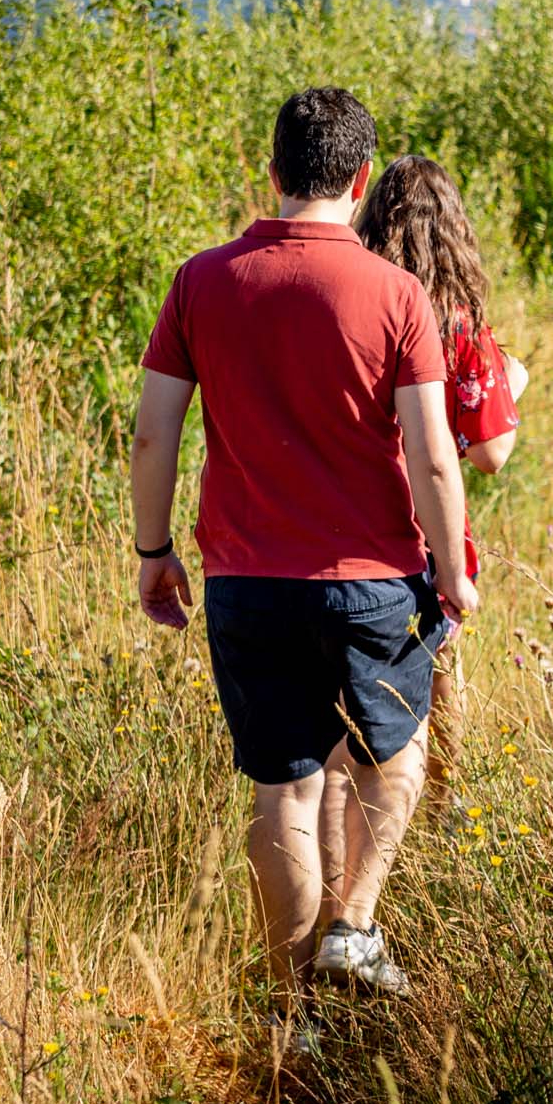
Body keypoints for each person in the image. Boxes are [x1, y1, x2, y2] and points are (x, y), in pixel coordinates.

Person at [129, 88, 477, 1003]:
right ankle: (354, 927)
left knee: (283, 791)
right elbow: (434, 454)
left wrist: (153, 549)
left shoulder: (202, 280)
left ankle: (290, 1006)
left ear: (273, 170)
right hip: (376, 582)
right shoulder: (398, 293)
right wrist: (451, 570)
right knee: (395, 757)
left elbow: (152, 433)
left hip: (246, 581)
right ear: (360, 180)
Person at [353, 155, 528, 827]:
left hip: (348, 524)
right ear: (455, 227)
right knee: (436, 681)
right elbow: (490, 451)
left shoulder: (355, 301)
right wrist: (516, 380)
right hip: (428, 536)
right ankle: (442, 815)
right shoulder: (459, 322)